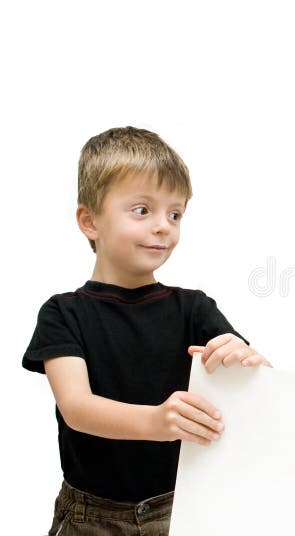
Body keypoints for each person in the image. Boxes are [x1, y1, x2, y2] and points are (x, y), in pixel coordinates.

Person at [22, 127, 268, 535]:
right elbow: (77, 408)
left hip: (183, 506)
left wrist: (245, 358)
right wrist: (158, 421)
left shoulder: (194, 308)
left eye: (175, 214)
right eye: (142, 210)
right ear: (89, 221)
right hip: (91, 517)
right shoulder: (63, 313)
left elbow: (256, 386)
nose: (164, 227)